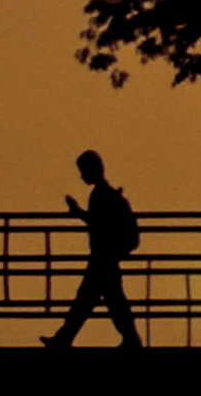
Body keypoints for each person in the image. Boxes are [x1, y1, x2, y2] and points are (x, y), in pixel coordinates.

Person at [42, 148, 143, 347]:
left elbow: (99, 224)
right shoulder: (106, 194)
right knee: (106, 301)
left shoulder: (100, 195)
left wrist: (79, 213)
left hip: (102, 257)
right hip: (106, 257)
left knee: (91, 301)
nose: (82, 176)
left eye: (83, 171)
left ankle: (64, 339)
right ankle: (129, 339)